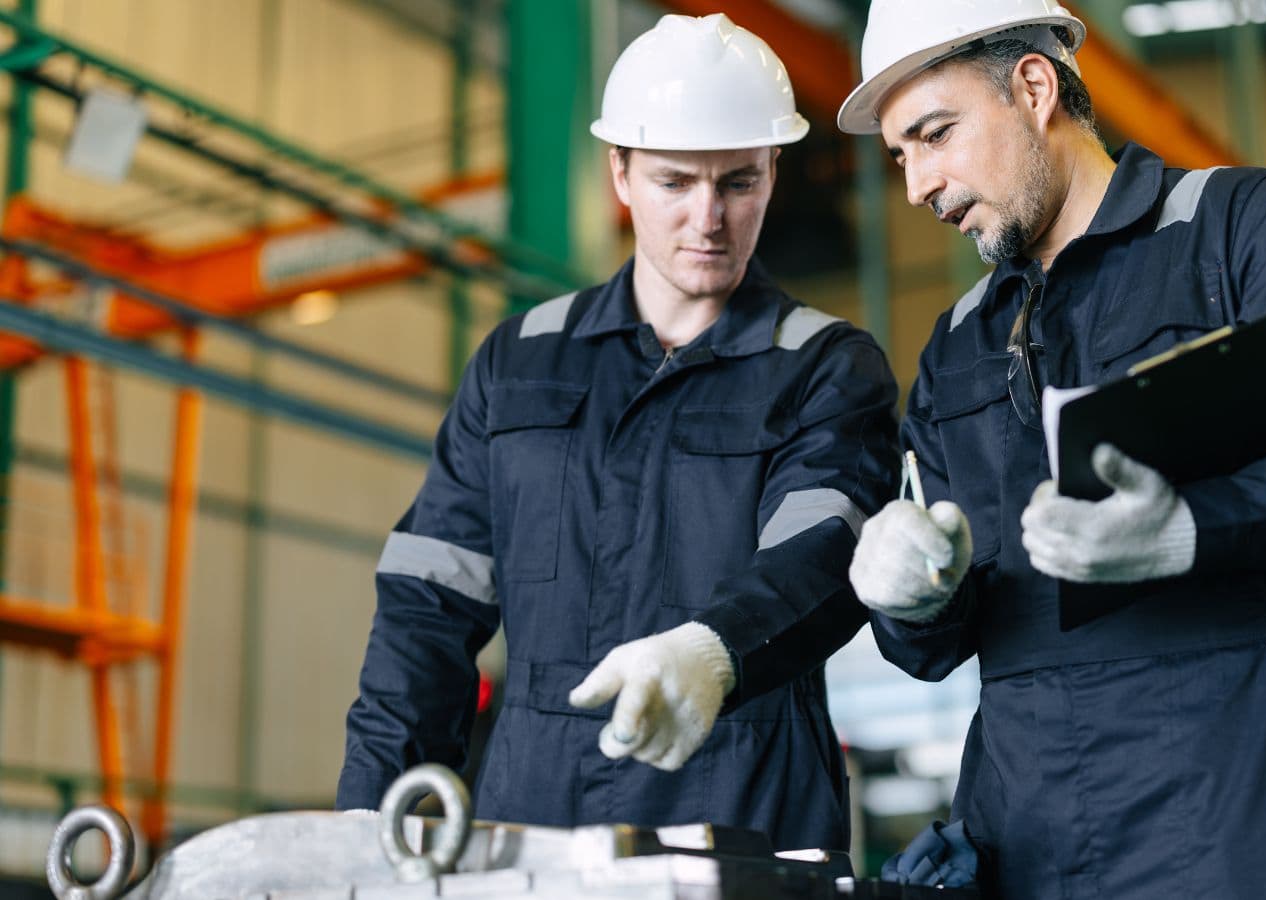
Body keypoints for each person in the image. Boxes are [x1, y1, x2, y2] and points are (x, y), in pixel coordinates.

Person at [839, 1, 1266, 896]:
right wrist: (911, 600)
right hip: (1034, 844)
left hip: (1245, 830)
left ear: (1034, 87)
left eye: (935, 135)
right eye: (901, 156)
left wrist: (1191, 528)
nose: (918, 184)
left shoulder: (1241, 229)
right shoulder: (958, 344)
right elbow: (935, 648)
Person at [336, 12, 898, 854]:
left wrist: (712, 651)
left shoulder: (824, 366)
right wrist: (369, 818)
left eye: (738, 183)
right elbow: (428, 602)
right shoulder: (520, 362)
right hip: (536, 821)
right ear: (621, 174)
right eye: (676, 182)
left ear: (773, 173)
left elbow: (818, 555)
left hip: (743, 816)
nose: (709, 218)